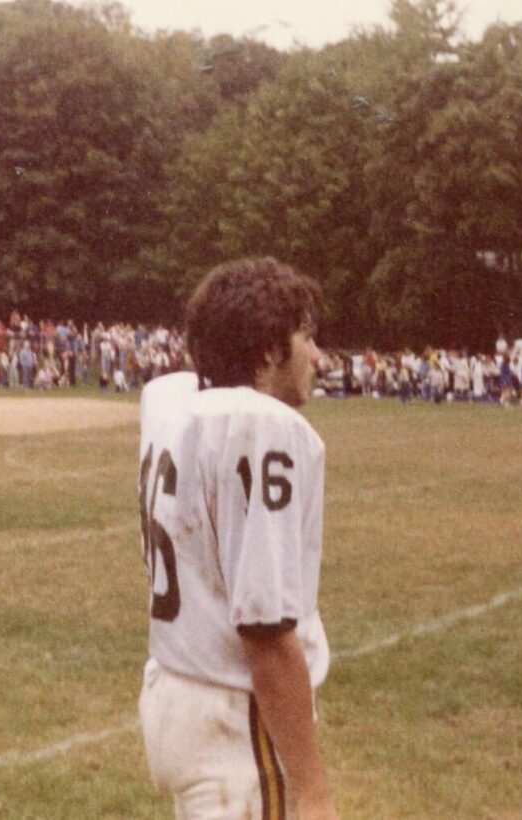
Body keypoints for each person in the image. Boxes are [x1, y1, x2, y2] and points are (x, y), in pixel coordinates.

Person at [137, 257, 338, 819]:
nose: (317, 356)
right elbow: (266, 631)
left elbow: (193, 377)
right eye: (305, 337)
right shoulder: (259, 426)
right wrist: (315, 789)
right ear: (271, 351)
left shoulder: (174, 404)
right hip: (235, 714)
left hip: (177, 691)